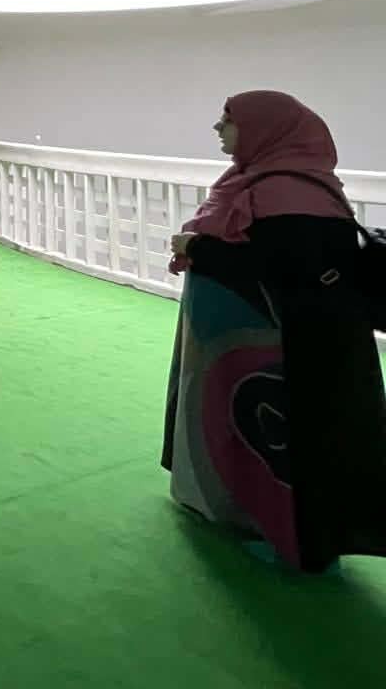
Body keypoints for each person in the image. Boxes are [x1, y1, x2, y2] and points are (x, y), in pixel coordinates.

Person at [164, 90, 386, 573]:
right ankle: (266, 522)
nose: (218, 128)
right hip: (283, 345)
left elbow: (279, 268)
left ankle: (296, 542)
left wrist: (197, 248)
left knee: (295, 444)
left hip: (300, 349)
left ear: (266, 129)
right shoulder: (267, 181)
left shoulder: (284, 192)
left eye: (228, 120)